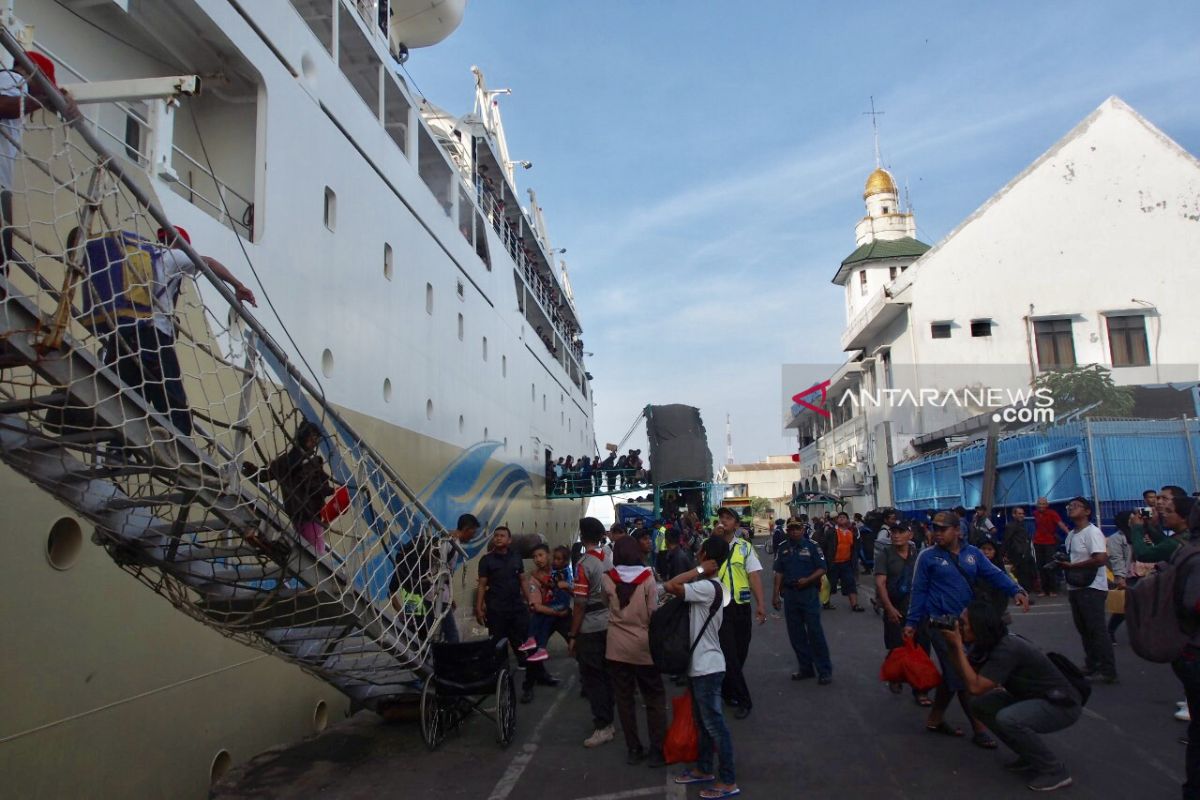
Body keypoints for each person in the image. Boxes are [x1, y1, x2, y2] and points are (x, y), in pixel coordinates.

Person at [90, 225, 256, 436]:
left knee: (130, 400)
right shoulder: (174, 256)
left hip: (126, 336)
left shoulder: (144, 257)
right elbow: (208, 262)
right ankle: (178, 450)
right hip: (155, 338)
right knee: (174, 404)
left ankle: (116, 453)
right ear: (180, 243)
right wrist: (237, 285)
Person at [905, 510, 1031, 748]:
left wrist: (1016, 590)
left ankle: (935, 718)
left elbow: (995, 574)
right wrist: (911, 623)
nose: (937, 533)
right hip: (939, 624)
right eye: (935, 529)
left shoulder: (973, 555)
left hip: (967, 624)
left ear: (958, 531)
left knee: (953, 675)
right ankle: (979, 728)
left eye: (943, 529)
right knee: (963, 675)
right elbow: (918, 590)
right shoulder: (927, 557)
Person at [939, 600, 1082, 792]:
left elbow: (974, 686)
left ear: (979, 626)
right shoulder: (985, 644)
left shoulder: (1007, 648)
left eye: (964, 623)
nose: (959, 626)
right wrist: (953, 647)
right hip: (1032, 697)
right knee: (981, 705)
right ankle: (1029, 755)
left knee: (1008, 719)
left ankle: (1055, 771)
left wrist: (957, 645)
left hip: (1061, 706)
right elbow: (967, 675)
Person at [668, 536, 738, 799]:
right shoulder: (711, 586)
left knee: (715, 725)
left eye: (699, 552)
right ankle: (704, 768)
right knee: (704, 724)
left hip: (707, 666)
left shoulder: (707, 586)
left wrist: (699, 569)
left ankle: (729, 780)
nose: (695, 553)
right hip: (703, 664)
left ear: (705, 555)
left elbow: (671, 585)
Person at [601, 537, 666, 766]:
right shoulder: (647, 577)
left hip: (616, 647)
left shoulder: (607, 578)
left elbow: (605, 603)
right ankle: (657, 750)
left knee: (625, 699)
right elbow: (653, 611)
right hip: (643, 645)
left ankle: (634, 749)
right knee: (654, 698)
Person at [242, 420, 333, 554]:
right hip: (308, 516)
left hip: (303, 515)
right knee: (316, 556)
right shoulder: (295, 462)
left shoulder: (301, 461)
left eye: (316, 438)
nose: (315, 441)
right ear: (304, 435)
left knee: (309, 554)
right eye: (312, 436)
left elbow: (265, 474)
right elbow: (265, 475)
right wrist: (250, 469)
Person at [475, 526, 543, 704]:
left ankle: (528, 687)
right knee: (498, 648)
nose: (498, 538)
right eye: (496, 536)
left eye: (502, 536)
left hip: (516, 610)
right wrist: (479, 606)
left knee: (525, 646)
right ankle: (503, 686)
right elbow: (482, 585)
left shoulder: (515, 557)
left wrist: (530, 601)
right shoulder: (486, 560)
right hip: (496, 611)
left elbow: (522, 580)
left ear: (509, 540)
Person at [713, 506, 766, 719]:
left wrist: (761, 604)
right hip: (721, 608)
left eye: (728, 518)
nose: (724, 521)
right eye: (721, 518)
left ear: (736, 524)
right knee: (730, 655)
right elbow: (699, 565)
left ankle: (727, 690)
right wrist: (712, 540)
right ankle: (744, 700)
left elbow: (753, 576)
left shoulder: (744, 547)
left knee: (740, 652)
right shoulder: (712, 546)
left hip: (742, 607)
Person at [568, 517, 616, 747]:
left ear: (581, 534)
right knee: (608, 675)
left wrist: (573, 635)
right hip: (609, 622)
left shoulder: (583, 564)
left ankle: (602, 725)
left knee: (593, 678)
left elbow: (579, 604)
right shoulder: (608, 557)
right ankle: (610, 720)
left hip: (590, 626)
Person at [1059, 497, 1117, 683]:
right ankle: (1092, 663)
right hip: (1075, 586)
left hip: (1092, 587)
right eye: (1069, 506)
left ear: (1087, 511)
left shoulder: (1092, 532)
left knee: (1097, 629)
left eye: (1076, 506)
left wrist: (1072, 567)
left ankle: (1108, 670)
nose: (1071, 508)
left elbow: (1100, 558)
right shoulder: (1071, 535)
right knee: (1084, 628)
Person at [874, 522, 931, 705]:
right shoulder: (885, 555)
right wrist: (888, 607)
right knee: (897, 647)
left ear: (910, 535)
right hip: (895, 607)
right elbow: (881, 583)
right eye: (894, 532)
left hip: (917, 609)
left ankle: (920, 690)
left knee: (920, 650)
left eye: (901, 532)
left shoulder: (918, 556)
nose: (896, 535)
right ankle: (895, 675)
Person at [772, 520, 832, 684]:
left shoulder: (813, 546)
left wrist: (808, 580)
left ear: (803, 529)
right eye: (791, 529)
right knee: (796, 634)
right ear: (787, 530)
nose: (794, 532)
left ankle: (824, 670)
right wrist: (775, 594)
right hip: (790, 594)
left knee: (815, 632)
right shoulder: (783, 547)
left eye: (797, 528)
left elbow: (822, 568)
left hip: (809, 593)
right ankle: (806, 668)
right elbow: (778, 571)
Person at [522, 543, 571, 663]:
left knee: (578, 642)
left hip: (563, 615)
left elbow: (575, 590)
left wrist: (569, 587)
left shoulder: (559, 570)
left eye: (540, 555)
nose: (537, 559)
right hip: (548, 614)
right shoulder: (533, 579)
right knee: (534, 649)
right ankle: (534, 678)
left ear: (549, 555)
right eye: (534, 557)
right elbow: (536, 606)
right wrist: (557, 613)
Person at [823, 511, 865, 612]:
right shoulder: (831, 532)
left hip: (846, 563)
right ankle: (826, 602)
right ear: (836, 520)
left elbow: (855, 548)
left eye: (844, 517)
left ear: (847, 520)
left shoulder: (852, 533)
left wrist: (855, 560)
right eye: (839, 517)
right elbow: (824, 546)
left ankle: (854, 605)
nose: (841, 518)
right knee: (830, 584)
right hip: (833, 563)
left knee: (850, 583)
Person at [1106, 512, 1133, 644]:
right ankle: (1110, 630)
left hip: (1144, 572)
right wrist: (1120, 576)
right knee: (1124, 607)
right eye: (1131, 517)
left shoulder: (1140, 533)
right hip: (1129, 574)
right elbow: (1117, 558)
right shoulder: (1116, 538)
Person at [1033, 498, 1069, 596]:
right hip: (1037, 542)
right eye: (1040, 504)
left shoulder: (1052, 513)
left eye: (1043, 504)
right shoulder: (1035, 513)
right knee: (1040, 566)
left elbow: (1060, 524)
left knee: (1050, 566)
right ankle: (1044, 590)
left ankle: (1053, 589)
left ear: (1047, 505)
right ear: (1037, 504)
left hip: (1049, 542)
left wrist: (1068, 533)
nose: (1041, 505)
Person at [1003, 507, 1037, 596]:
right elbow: (1007, 540)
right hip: (1018, 554)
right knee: (1022, 576)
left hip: (1025, 553)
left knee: (1028, 574)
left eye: (1022, 513)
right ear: (1014, 515)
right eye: (1019, 513)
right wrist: (1004, 554)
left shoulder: (1021, 525)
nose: (1022, 515)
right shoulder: (1011, 526)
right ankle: (1024, 596)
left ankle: (1026, 594)